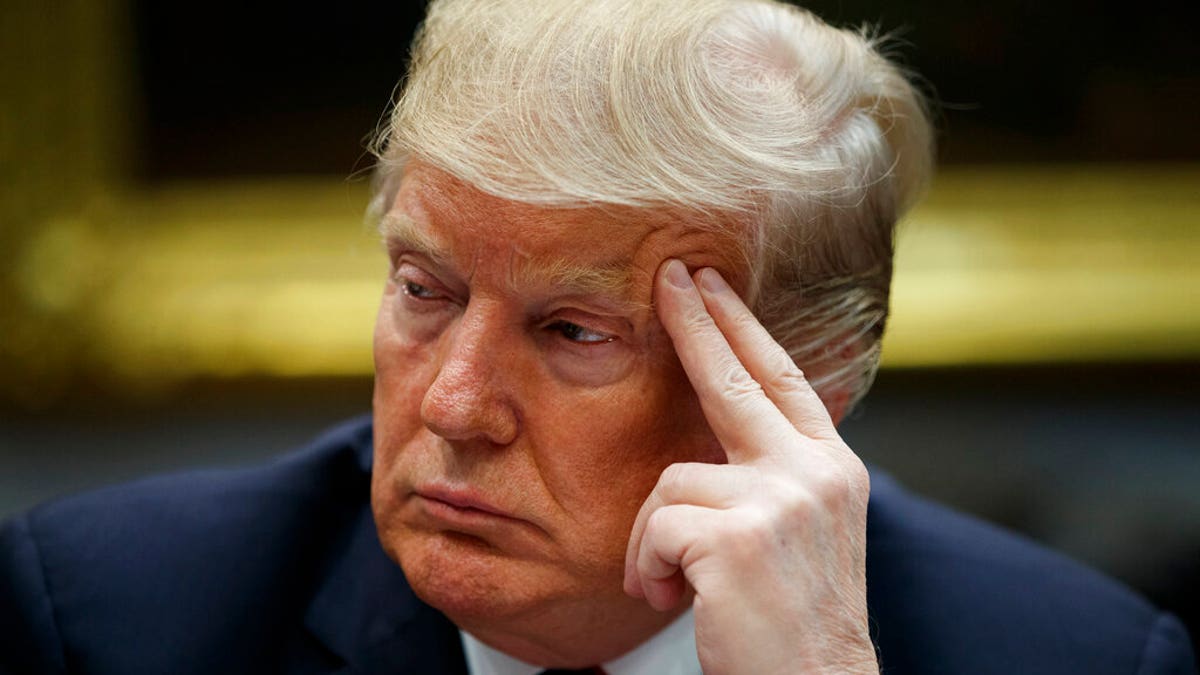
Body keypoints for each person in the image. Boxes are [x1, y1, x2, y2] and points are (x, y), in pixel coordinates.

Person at [1, 0, 1195, 673]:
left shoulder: (1078, 659)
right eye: (426, 290)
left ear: (808, 378)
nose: (455, 406)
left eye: (575, 330)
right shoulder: (105, 621)